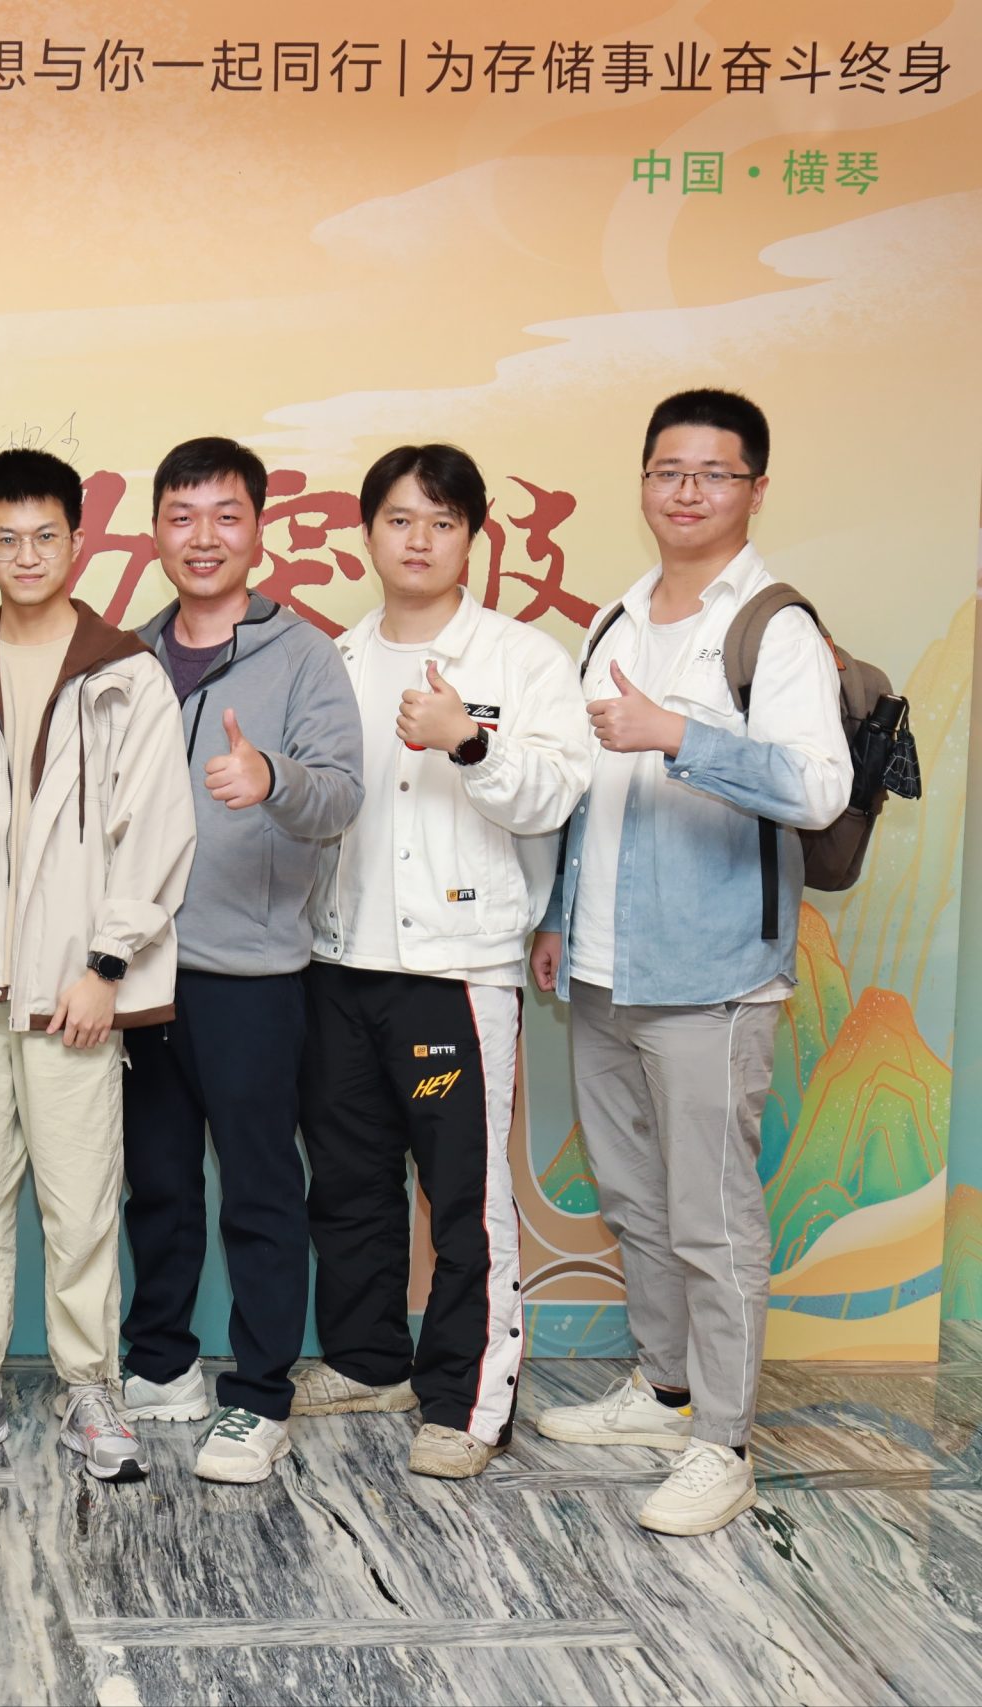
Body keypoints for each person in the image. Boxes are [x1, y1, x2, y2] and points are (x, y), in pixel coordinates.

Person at [530, 390, 847, 1535]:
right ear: (643, 482)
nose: (686, 492)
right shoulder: (618, 620)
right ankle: (663, 1391)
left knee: (711, 1217)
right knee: (633, 1195)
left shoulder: (772, 627)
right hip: (605, 966)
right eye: (668, 470)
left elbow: (818, 787)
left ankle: (723, 1441)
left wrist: (678, 734)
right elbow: (590, 791)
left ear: (754, 488)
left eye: (712, 473)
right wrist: (559, 916)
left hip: (712, 973)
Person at [0, 449, 195, 1484]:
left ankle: (90, 1389)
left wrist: (107, 965)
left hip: (74, 989)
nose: (26, 555)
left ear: (77, 542)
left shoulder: (126, 675)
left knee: (81, 1201)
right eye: (6, 538)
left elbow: (158, 832)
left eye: (45, 536)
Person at [291, 444, 591, 1479]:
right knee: (348, 1179)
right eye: (399, 519)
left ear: (472, 537)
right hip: (338, 964)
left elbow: (556, 795)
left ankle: (469, 1400)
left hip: (454, 976)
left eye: (442, 522)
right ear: (366, 532)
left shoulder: (520, 659)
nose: (418, 540)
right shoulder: (330, 660)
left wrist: (470, 740)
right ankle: (367, 1358)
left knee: (462, 1192)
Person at [121, 436, 363, 1484]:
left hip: (252, 975)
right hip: (139, 969)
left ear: (259, 530)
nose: (203, 536)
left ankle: (260, 1394)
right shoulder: (127, 655)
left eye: (226, 515)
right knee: (156, 1182)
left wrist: (270, 777)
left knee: (260, 1188)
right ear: (155, 533)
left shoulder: (304, 655)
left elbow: (340, 795)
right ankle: (160, 1363)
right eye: (182, 516)